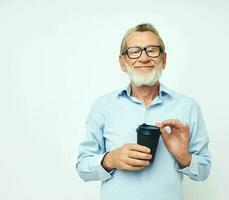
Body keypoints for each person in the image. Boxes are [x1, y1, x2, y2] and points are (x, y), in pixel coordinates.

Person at [76, 23, 211, 200]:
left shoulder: (188, 107)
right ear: (123, 62)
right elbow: (82, 167)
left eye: (152, 50)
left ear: (164, 59)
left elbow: (203, 171)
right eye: (134, 51)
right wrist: (111, 159)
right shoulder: (103, 106)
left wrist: (184, 157)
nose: (144, 58)